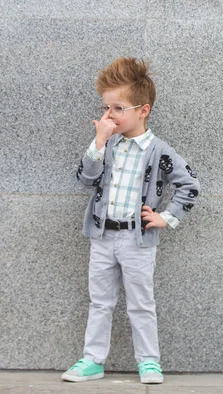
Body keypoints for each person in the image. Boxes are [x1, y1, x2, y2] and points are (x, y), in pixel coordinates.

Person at [62, 57, 200, 384]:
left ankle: (149, 362)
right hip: (102, 236)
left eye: (118, 108)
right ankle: (93, 360)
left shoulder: (158, 150)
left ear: (143, 110)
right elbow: (85, 179)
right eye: (106, 108)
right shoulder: (105, 144)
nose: (109, 115)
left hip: (137, 241)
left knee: (141, 303)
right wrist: (98, 143)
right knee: (100, 301)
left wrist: (166, 218)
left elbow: (190, 185)